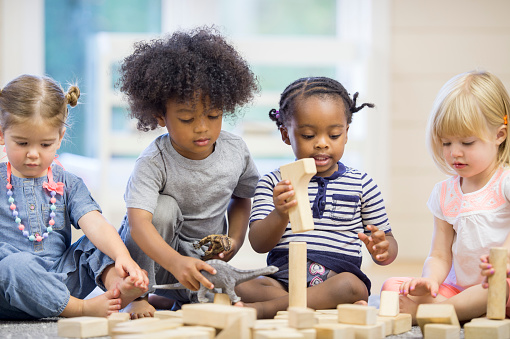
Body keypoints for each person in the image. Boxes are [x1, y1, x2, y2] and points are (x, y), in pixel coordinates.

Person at [117, 26, 260, 318]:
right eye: (186, 118)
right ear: (160, 116)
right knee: (163, 209)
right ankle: (140, 294)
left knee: (252, 292)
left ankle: (176, 299)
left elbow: (243, 198)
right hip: (159, 262)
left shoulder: (236, 151)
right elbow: (139, 224)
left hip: (202, 262)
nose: (202, 128)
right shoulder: (154, 162)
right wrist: (175, 263)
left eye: (213, 115)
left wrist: (234, 240)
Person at [235, 76, 398, 319]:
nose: (322, 144)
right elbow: (259, 244)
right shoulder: (273, 183)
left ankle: (266, 309)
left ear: (346, 134)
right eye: (309, 135)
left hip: (335, 280)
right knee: (239, 283)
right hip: (283, 279)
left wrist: (382, 249)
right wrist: (280, 213)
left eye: (333, 135)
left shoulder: (362, 184)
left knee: (352, 287)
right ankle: (313, 306)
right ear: (286, 134)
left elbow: (389, 243)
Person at [0, 74, 149, 320]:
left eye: (45, 144)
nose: (33, 154)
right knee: (13, 264)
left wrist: (122, 256)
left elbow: (96, 223)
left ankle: (119, 291)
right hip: (10, 289)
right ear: (2, 134)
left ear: (60, 137)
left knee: (100, 240)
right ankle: (82, 309)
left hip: (63, 280)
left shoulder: (68, 182)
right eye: (23, 143)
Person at [381, 70, 510, 323]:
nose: (455, 153)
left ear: (499, 136)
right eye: (446, 143)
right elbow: (439, 255)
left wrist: (503, 259)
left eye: (467, 142)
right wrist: (430, 279)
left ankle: (435, 313)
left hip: (500, 285)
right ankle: (455, 310)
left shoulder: (505, 182)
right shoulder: (444, 193)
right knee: (392, 288)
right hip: (459, 290)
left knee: (497, 286)